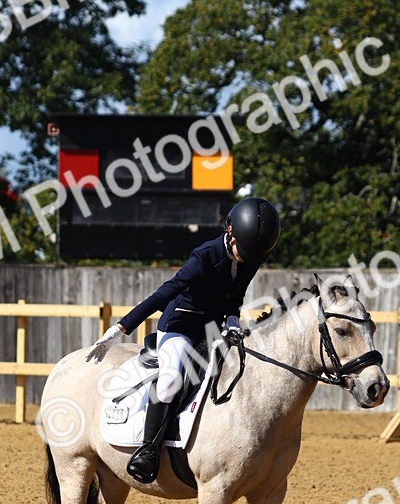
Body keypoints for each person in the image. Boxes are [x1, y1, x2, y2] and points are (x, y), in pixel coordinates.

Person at [86, 196, 281, 483]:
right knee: (171, 378)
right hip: (181, 325)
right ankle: (148, 450)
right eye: (244, 251)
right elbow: (163, 294)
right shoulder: (203, 257)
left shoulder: (251, 254)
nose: (247, 259)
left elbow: (234, 299)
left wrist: (234, 322)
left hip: (214, 328)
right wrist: (121, 329)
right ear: (230, 231)